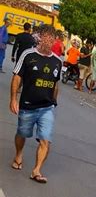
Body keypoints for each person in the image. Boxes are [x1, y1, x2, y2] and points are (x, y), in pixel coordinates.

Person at [10, 24, 62, 184]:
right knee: (22, 134)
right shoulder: (28, 55)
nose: (49, 41)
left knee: (46, 139)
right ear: (39, 38)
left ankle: (36, 170)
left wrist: (54, 102)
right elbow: (17, 77)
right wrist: (13, 98)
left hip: (46, 108)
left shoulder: (57, 61)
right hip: (27, 105)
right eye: (46, 37)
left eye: (52, 38)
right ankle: (18, 154)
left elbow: (55, 84)